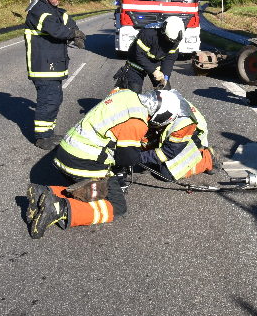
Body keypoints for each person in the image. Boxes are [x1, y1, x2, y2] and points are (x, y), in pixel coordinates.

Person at [26, 88, 183, 239]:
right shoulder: (137, 122)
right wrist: (138, 154)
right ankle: (60, 208)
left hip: (65, 151)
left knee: (92, 187)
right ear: (160, 116)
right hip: (83, 163)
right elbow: (126, 159)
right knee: (116, 205)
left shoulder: (125, 94)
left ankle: (43, 192)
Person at [24, 0, 86, 150]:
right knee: (48, 100)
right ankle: (42, 138)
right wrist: (74, 34)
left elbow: (65, 18)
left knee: (55, 99)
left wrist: (76, 30)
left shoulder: (52, 9)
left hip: (52, 64)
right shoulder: (38, 11)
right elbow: (56, 30)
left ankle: (49, 132)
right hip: (43, 66)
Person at [139, 95, 221, 180]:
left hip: (191, 135)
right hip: (172, 130)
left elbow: (168, 152)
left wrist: (139, 157)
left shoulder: (181, 124)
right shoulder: (153, 102)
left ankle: (207, 158)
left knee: (166, 173)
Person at [115, 16, 185, 93]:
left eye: (173, 41)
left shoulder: (175, 40)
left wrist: (165, 76)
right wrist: (153, 71)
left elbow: (170, 59)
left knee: (165, 91)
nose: (171, 43)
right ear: (163, 31)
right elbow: (139, 55)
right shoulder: (148, 34)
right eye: (169, 39)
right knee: (134, 92)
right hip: (136, 63)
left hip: (155, 64)